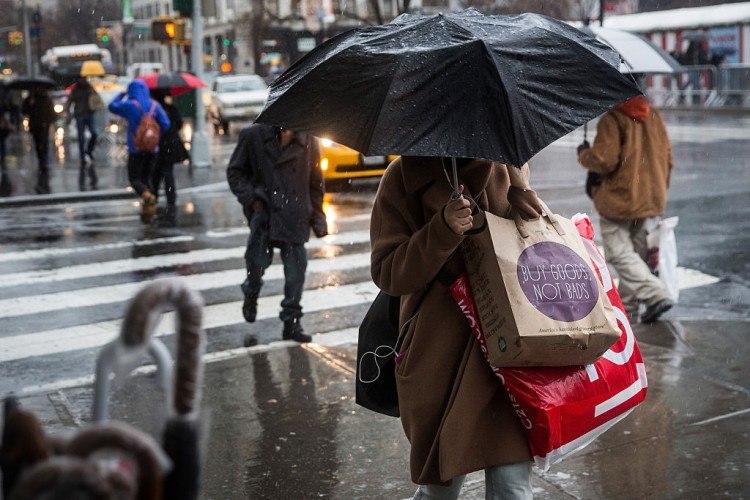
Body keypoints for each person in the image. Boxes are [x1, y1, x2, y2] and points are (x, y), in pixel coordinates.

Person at [370, 156, 543, 499]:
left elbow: (535, 247)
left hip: (507, 350)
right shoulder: (402, 177)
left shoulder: (505, 165)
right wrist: (442, 230)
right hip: (439, 357)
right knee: (440, 490)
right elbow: (388, 272)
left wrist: (522, 192)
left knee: (512, 489)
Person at [227, 124, 328, 343]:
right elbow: (235, 172)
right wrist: (253, 200)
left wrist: (318, 216)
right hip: (265, 215)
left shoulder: (308, 138)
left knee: (295, 275)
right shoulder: (253, 136)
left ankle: (291, 322)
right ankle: (251, 292)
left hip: (295, 215)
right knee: (256, 265)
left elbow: (315, 180)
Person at [577, 95, 674, 324]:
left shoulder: (614, 118)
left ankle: (654, 293)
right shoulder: (654, 115)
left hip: (619, 200)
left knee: (619, 254)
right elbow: (668, 157)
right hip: (649, 198)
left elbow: (604, 160)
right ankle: (628, 310)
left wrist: (584, 154)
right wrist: (657, 190)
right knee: (636, 256)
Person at [108, 80, 170, 223]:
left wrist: (121, 94)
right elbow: (166, 124)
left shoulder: (130, 105)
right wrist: (153, 135)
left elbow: (112, 106)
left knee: (135, 179)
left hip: (136, 148)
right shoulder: (154, 105)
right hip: (152, 149)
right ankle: (148, 208)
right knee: (147, 178)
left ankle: (147, 197)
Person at [150, 91, 188, 221]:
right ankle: (171, 198)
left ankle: (153, 196)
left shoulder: (151, 109)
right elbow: (179, 123)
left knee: (156, 172)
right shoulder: (170, 108)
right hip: (170, 144)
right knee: (167, 171)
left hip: (156, 144)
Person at [67, 77, 102, 189]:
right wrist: (68, 113)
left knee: (94, 133)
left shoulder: (89, 87)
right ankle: (83, 156)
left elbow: (96, 98)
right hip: (80, 114)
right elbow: (70, 101)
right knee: (81, 137)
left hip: (89, 113)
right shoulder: (75, 89)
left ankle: (89, 151)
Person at [22, 88, 56, 195]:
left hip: (44, 124)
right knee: (37, 144)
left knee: (44, 143)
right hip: (34, 125)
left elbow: (52, 111)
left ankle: (44, 162)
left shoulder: (46, 98)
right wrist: (30, 104)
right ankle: (41, 160)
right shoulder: (30, 98)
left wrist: (49, 121)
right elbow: (24, 110)